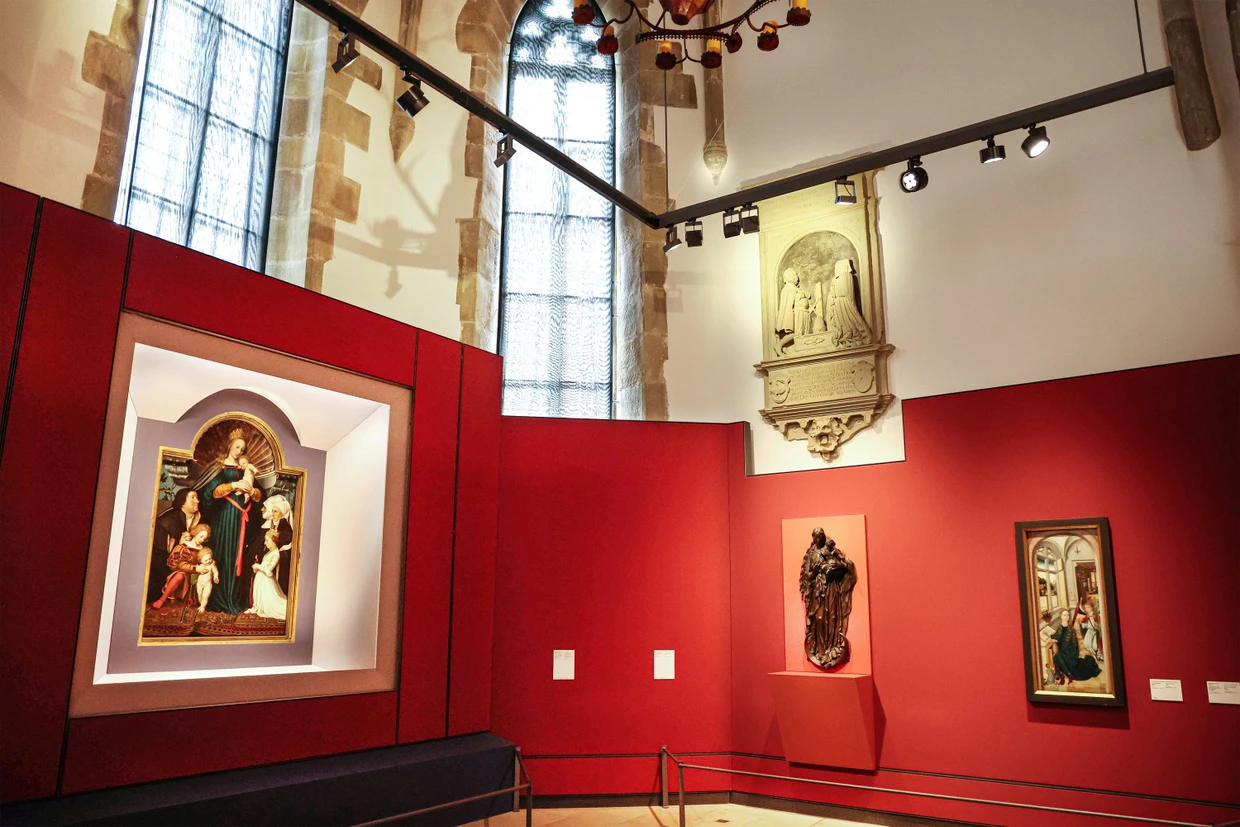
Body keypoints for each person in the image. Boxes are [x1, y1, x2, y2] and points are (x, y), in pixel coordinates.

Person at [204, 429, 263, 614]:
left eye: (242, 449)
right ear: (230, 445)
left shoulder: (246, 469)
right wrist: (234, 485)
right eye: (237, 447)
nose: (239, 451)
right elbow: (212, 493)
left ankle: (234, 597)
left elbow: (259, 496)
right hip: (225, 517)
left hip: (242, 520)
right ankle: (220, 598)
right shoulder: (220, 467)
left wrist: (251, 491)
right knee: (225, 555)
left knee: (239, 556)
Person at [148, 488, 202, 604]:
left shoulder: (198, 518)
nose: (197, 501)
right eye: (192, 498)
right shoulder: (166, 522)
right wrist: (179, 544)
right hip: (166, 569)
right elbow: (158, 557)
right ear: (182, 502)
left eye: (197, 498)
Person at [152, 524, 213, 610]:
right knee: (180, 575)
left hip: (196, 579)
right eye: (201, 536)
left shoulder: (203, 550)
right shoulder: (184, 547)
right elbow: (181, 565)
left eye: (204, 538)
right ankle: (162, 600)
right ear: (196, 533)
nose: (202, 539)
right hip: (184, 575)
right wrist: (195, 568)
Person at [826, 258, 873, 349]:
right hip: (836, 304)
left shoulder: (847, 276)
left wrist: (837, 294)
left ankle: (855, 336)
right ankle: (843, 337)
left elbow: (845, 292)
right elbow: (832, 292)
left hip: (845, 302)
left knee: (851, 319)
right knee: (839, 324)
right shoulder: (834, 279)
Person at [245, 528, 288, 621]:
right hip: (261, 580)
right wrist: (257, 569)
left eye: (267, 540)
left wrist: (258, 566)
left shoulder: (276, 554)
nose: (265, 543)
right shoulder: (270, 552)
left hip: (266, 582)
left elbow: (268, 571)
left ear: (273, 541)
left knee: (276, 606)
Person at [1051, 609, 1102, 684]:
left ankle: (1067, 674)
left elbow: (1074, 644)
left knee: (1056, 656)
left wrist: (1070, 651)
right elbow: (1057, 636)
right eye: (1064, 615)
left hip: (1070, 652)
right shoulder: (1059, 627)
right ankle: (1068, 674)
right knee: (1057, 656)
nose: (1066, 617)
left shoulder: (1071, 628)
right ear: (1061, 616)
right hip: (1063, 650)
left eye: (1067, 615)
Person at [193, 549, 220, 616]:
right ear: (200, 560)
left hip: (207, 584)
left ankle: (203, 607)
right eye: (206, 560)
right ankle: (201, 605)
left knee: (205, 596)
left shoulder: (212, 566)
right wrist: (196, 568)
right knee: (199, 595)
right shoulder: (201, 566)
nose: (208, 561)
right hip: (199, 584)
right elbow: (196, 571)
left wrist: (215, 577)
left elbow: (215, 572)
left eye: (210, 559)